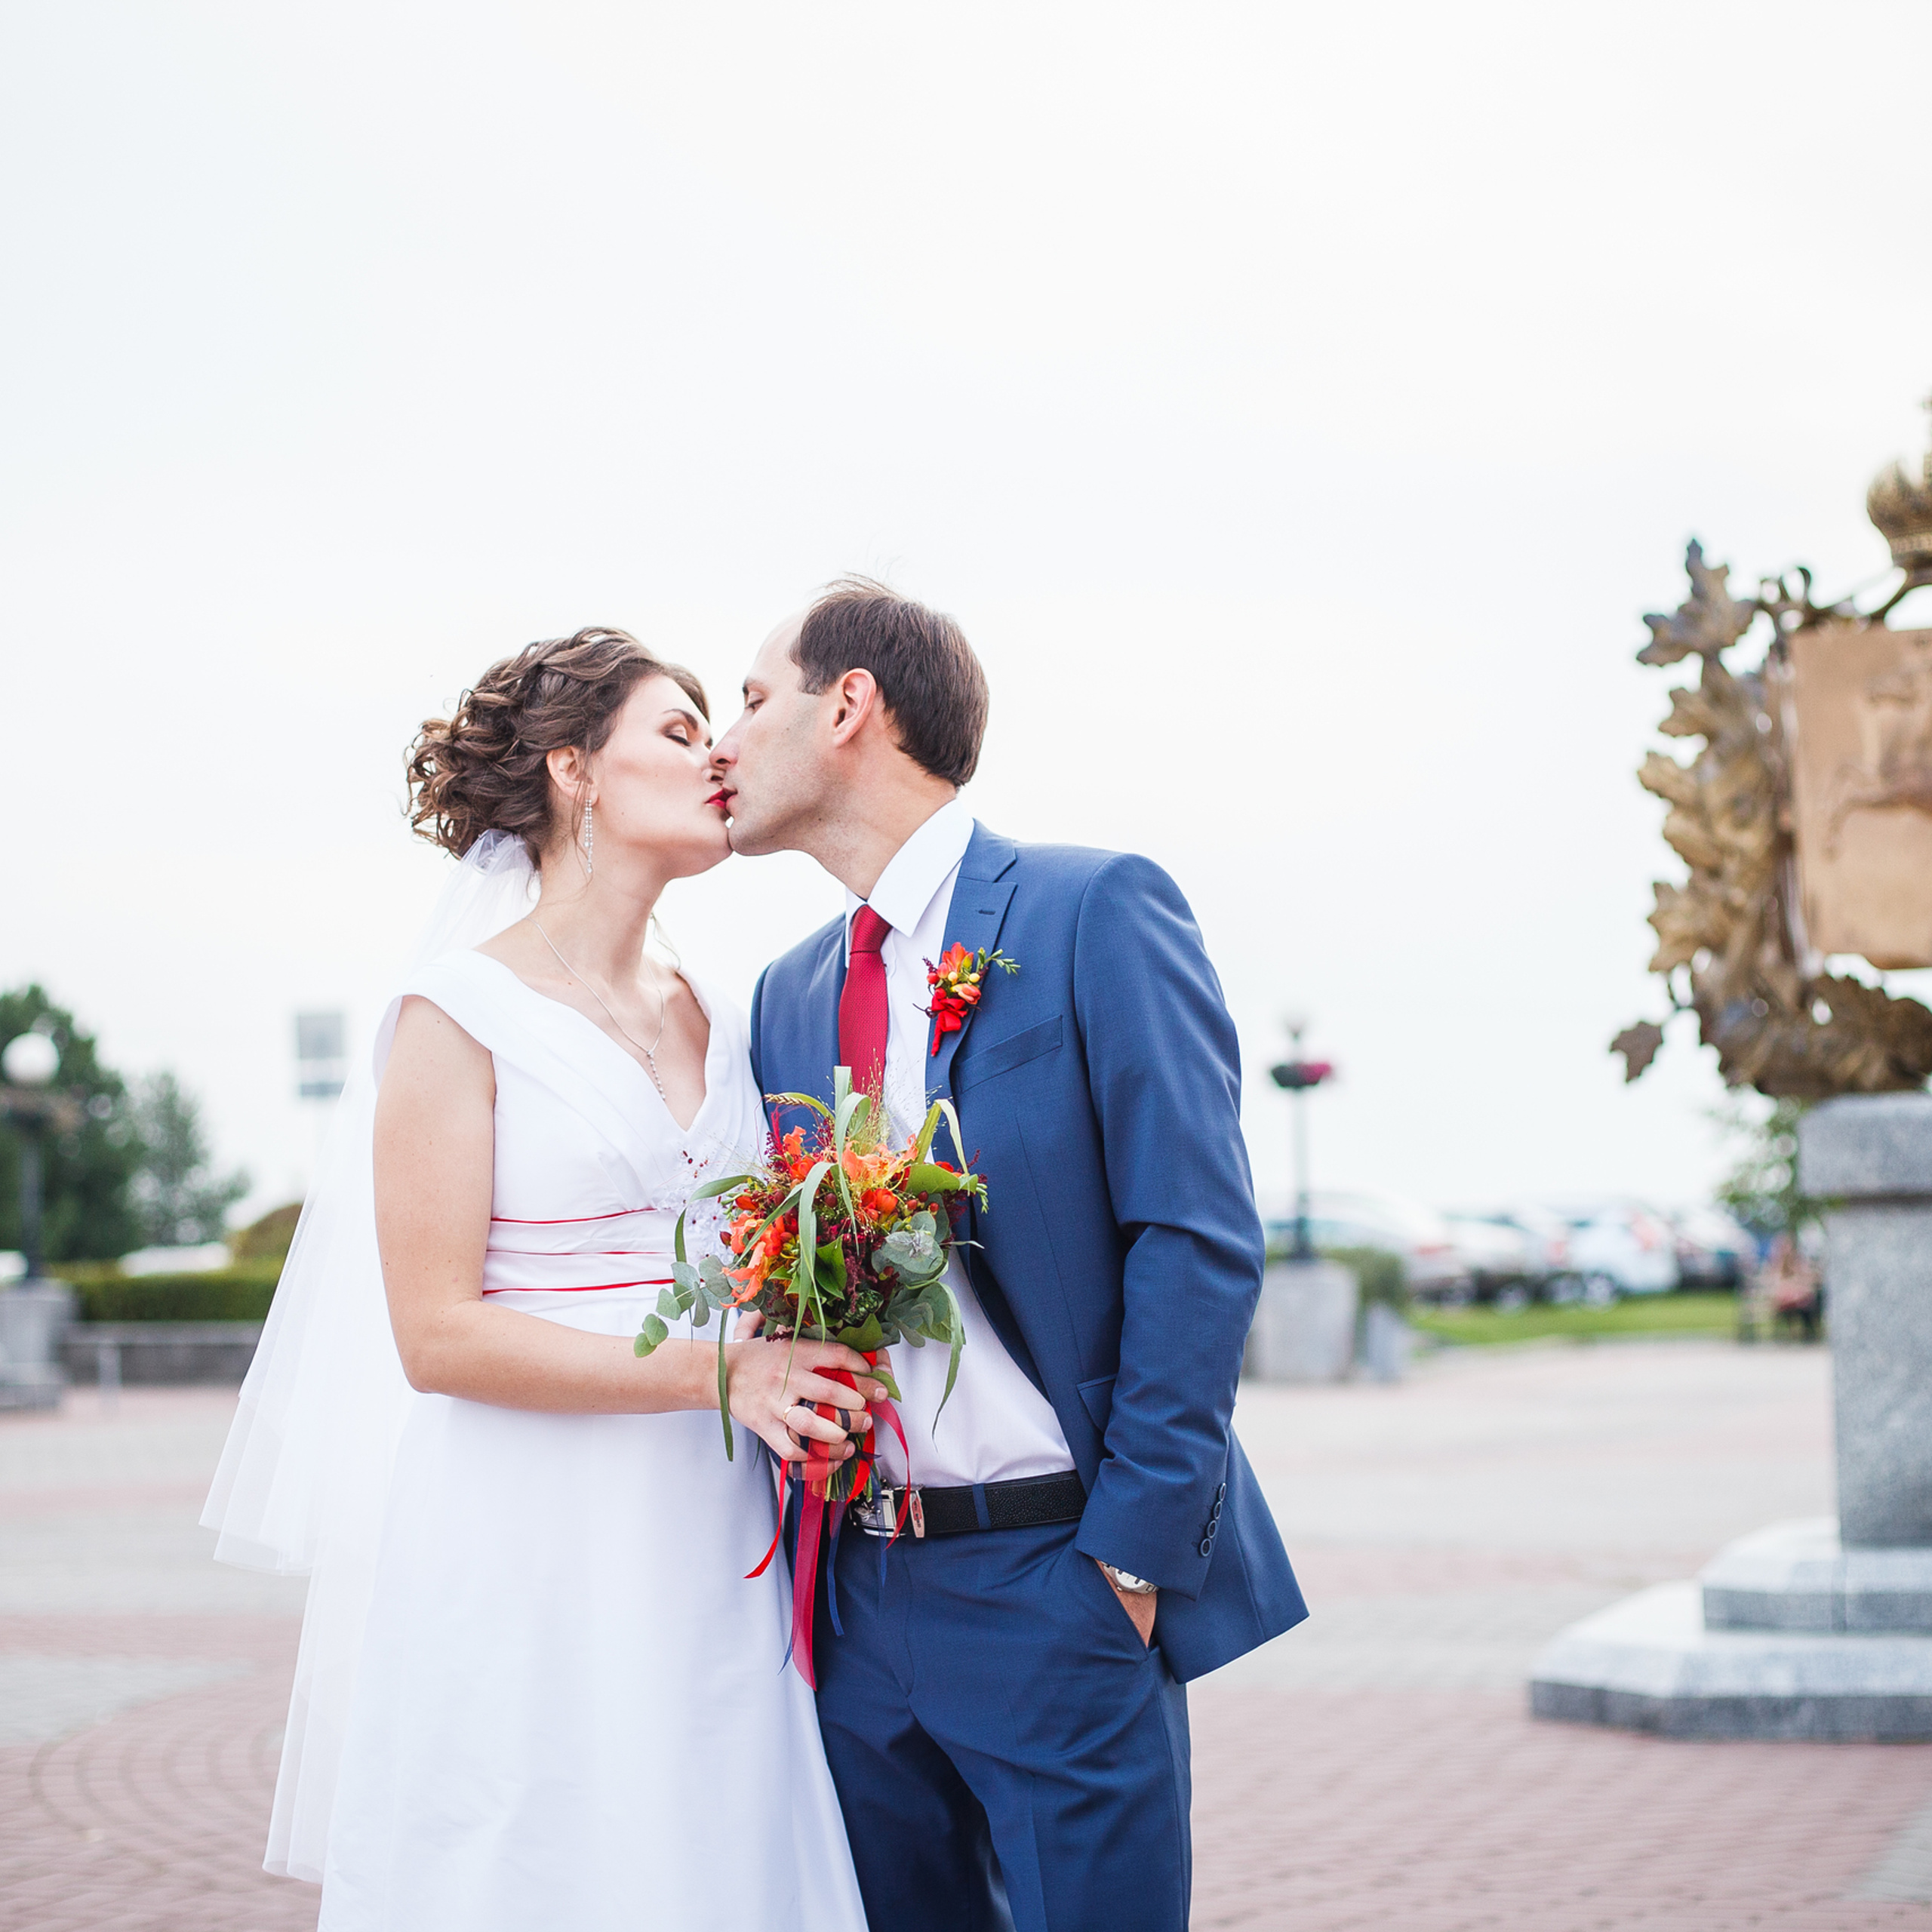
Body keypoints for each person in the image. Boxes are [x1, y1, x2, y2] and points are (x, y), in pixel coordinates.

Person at [203, 629, 870, 1930]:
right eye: (678, 733)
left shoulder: (723, 1013)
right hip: (529, 1533)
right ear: (575, 770)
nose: (718, 752)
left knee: (714, 1848)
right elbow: (437, 1336)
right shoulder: (458, 1013)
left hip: (714, 1524)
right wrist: (722, 1371)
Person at [709, 579, 1309, 1932]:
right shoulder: (786, 995)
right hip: (860, 1606)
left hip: (1062, 1587)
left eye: (751, 699)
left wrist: (1133, 1563)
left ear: (849, 704)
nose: (721, 745)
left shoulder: (1092, 911)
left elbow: (1197, 1236)